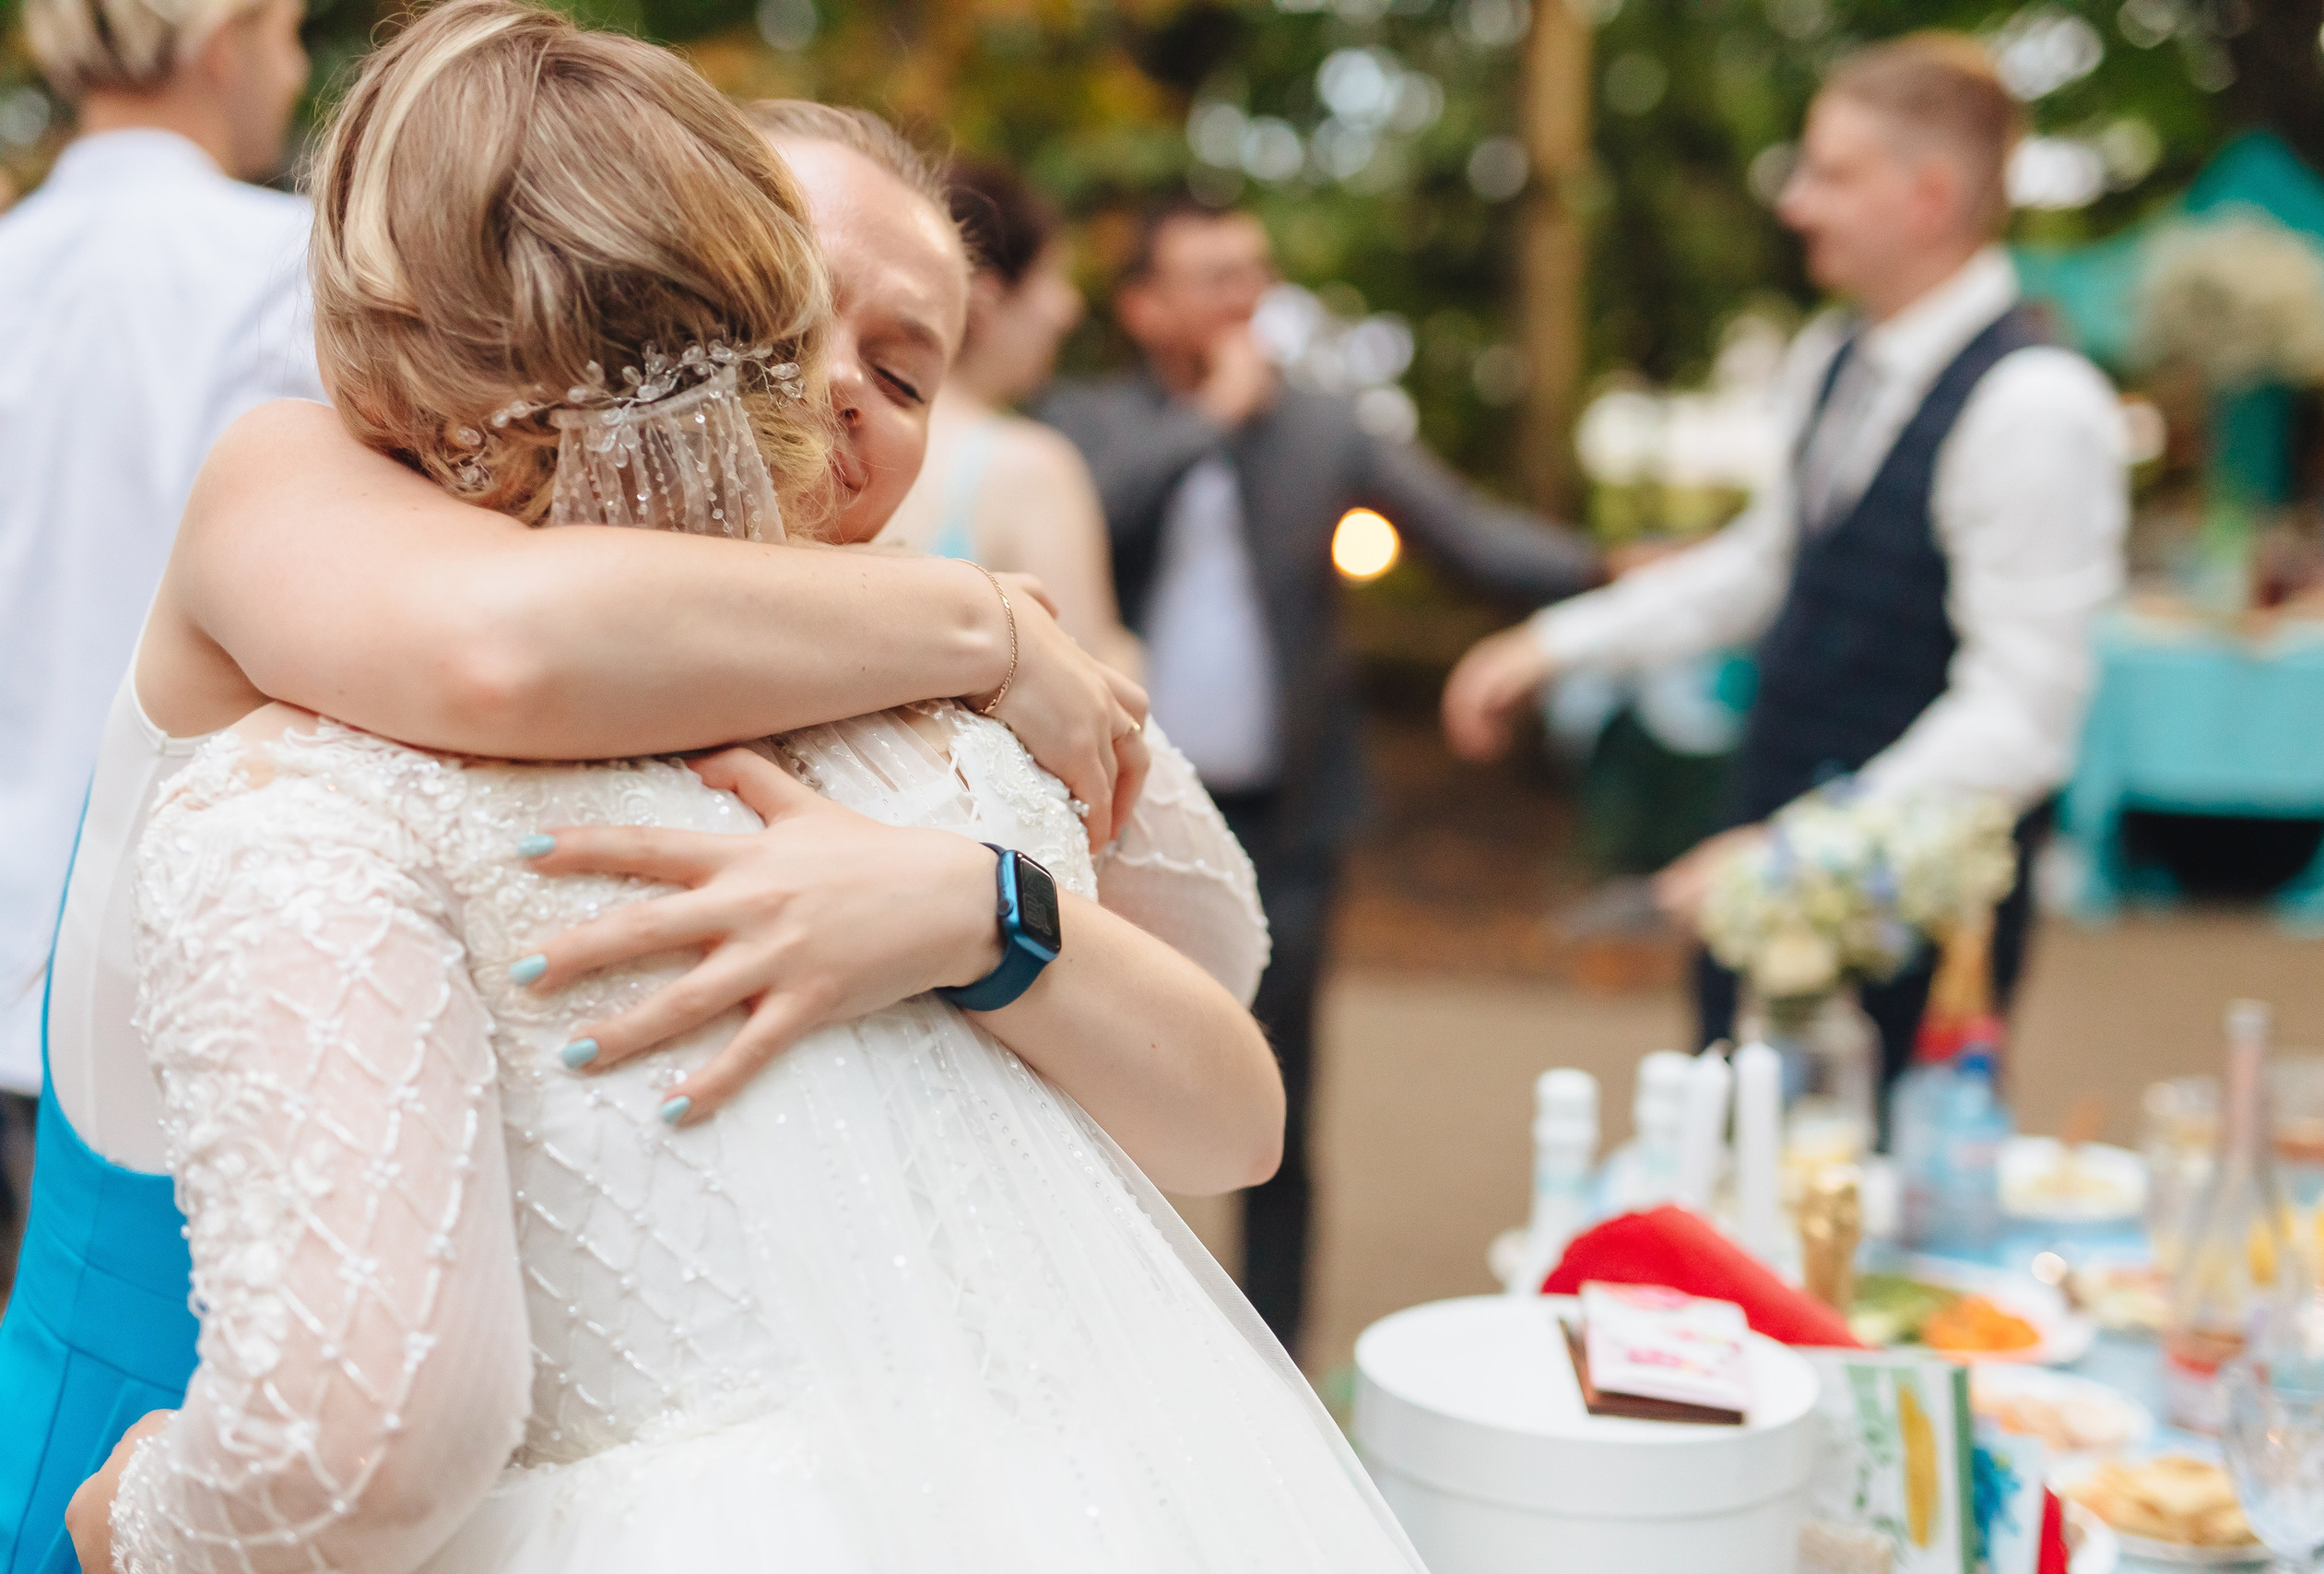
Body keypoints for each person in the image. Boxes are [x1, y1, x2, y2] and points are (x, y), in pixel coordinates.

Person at [64, 8, 1426, 1568]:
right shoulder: (323, 534)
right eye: (806, 321)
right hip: (207, 1304)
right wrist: (983, 624)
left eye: (909, 371)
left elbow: (1215, 1021)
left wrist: (978, 906)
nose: (842, 387)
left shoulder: (931, 709)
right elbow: (508, 648)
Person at [1444, 32, 2129, 1090]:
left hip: (1916, 929)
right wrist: (1556, 646)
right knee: (1731, 1148)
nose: (1795, 202)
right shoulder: (1831, 358)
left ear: (1929, 195)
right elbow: (1767, 565)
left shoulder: (2035, 406)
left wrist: (1798, 853)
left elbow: (2020, 718)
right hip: (1760, 851)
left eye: (1832, 174)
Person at [1036, 197, 1599, 1350]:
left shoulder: (1321, 427)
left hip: (1289, 818)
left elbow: (1467, 532)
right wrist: (1212, 421)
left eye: (1254, 270)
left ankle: (1271, 1354)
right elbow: (1094, 510)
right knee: (1099, 1084)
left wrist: (1618, 572)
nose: (1244, 299)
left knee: (1274, 1097)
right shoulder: (1085, 424)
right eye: (1211, 277)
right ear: (1143, 307)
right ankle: (1113, 1346)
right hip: (1111, 823)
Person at [0, 0, 313, 1295]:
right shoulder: (289, 274)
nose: (298, 74)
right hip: (139, 998)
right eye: (295, 33)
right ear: (224, 39)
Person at [875, 157, 1140, 674]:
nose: (1069, 308)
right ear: (989, 297)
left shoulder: (842, 440)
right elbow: (1090, 688)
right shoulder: (1031, 465)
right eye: (1054, 277)